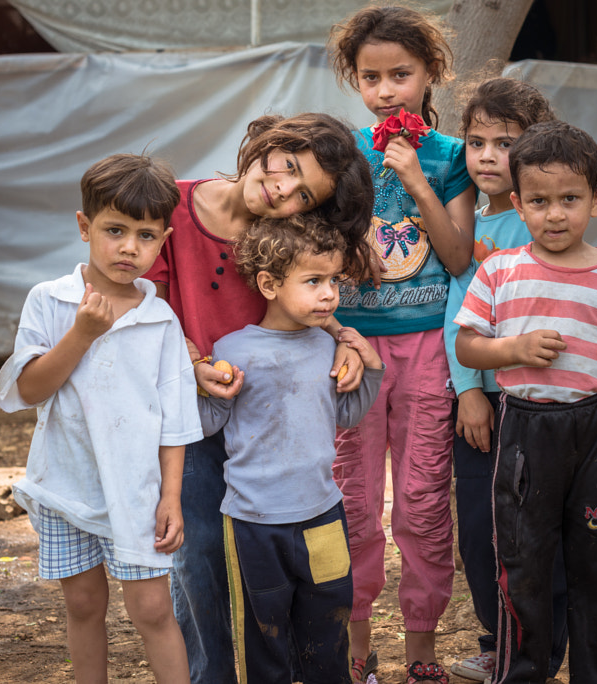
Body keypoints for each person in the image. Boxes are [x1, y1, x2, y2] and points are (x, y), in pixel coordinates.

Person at [145, 112, 375, 684]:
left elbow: (309, 299)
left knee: (266, 578)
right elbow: (141, 314)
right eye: (289, 167)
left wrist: (343, 338)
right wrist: (193, 367)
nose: (282, 189)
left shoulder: (283, 239)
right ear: (272, 145)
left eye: (303, 195)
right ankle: (211, 676)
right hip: (193, 417)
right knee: (199, 562)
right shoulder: (167, 208)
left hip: (275, 429)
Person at [454, 121, 597, 684]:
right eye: (540, 202)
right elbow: (466, 343)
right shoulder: (500, 270)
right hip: (524, 429)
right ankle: (523, 671)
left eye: (570, 199)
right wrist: (514, 348)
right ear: (518, 204)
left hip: (596, 427)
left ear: (596, 200)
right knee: (523, 561)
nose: (555, 215)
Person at [0, 153, 201, 683]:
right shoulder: (51, 301)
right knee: (84, 605)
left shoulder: (160, 321)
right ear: (85, 226)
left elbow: (174, 421)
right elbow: (27, 389)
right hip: (66, 485)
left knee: (153, 610)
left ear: (164, 240)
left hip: (136, 492)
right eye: (115, 230)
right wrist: (82, 334)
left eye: (147, 236)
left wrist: (172, 496)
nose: (130, 247)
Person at [327, 5, 477, 683]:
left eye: (402, 74)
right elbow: (320, 251)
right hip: (353, 353)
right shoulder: (339, 156)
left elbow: (455, 255)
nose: (387, 89)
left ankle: (422, 651)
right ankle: (355, 650)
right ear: (356, 82)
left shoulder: (453, 159)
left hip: (424, 349)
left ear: (430, 74)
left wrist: (416, 178)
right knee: (353, 505)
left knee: (420, 504)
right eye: (372, 77)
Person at [196, 214, 385, 683]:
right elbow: (207, 423)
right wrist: (203, 386)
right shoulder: (232, 350)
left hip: (323, 515)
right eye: (314, 281)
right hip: (254, 523)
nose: (329, 294)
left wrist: (372, 367)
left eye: (334, 281)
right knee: (265, 635)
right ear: (269, 284)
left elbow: (346, 415)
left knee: (329, 625)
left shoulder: (329, 348)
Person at [442, 77, 568, 684]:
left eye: (505, 142)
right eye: (475, 141)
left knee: (538, 532)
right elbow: (456, 314)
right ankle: (500, 641)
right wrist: (468, 389)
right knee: (479, 532)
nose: (488, 155)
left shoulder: (544, 225)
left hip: (535, 405)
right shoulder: (466, 225)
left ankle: (541, 650)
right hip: (479, 404)